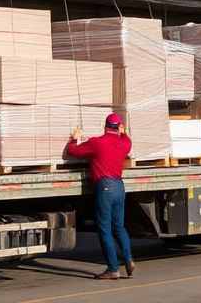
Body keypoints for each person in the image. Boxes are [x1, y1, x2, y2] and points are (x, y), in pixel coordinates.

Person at [65, 113, 136, 280]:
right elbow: (128, 140)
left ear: (105, 126)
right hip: (120, 187)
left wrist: (74, 138)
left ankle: (113, 269)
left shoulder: (97, 142)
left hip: (105, 187)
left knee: (104, 228)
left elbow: (73, 151)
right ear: (118, 127)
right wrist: (123, 132)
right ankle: (128, 259)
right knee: (119, 227)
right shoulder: (124, 143)